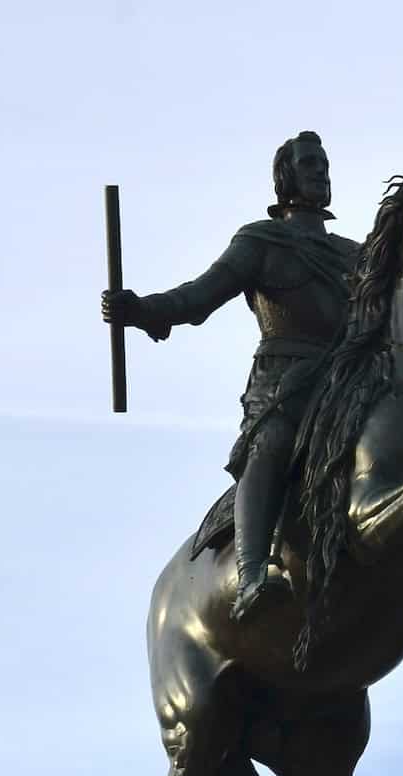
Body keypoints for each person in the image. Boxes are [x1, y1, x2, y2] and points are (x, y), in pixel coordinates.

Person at [101, 133, 360, 621]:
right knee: (275, 443)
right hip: (285, 383)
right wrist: (140, 309)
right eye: (309, 163)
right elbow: (199, 297)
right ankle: (252, 576)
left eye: (325, 164)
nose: (321, 172)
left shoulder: (354, 255)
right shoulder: (260, 241)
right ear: (285, 177)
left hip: (346, 383)